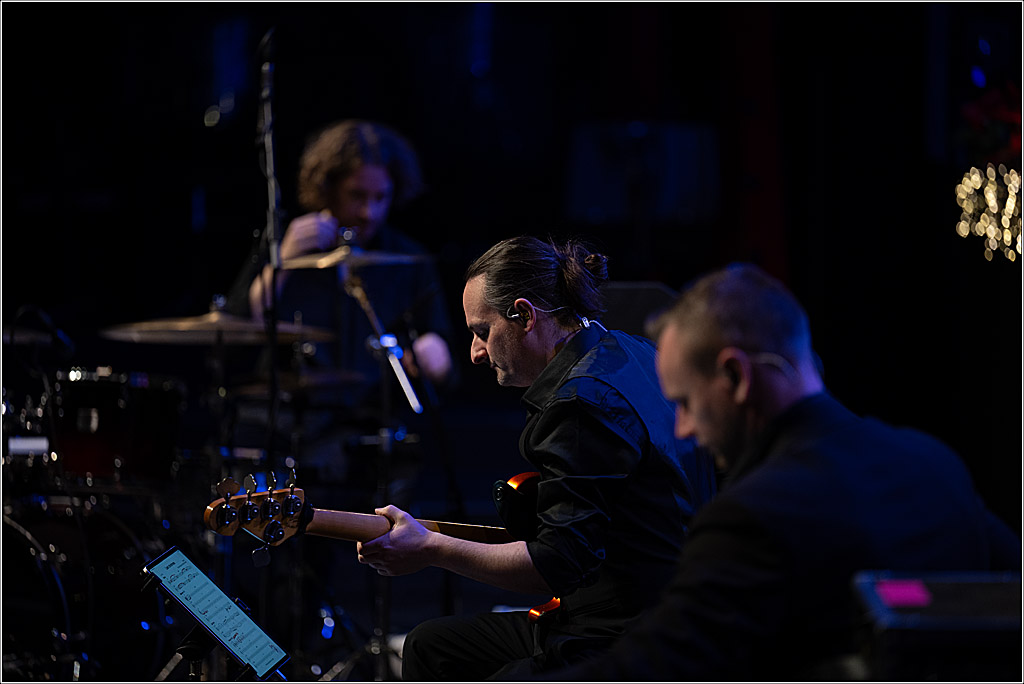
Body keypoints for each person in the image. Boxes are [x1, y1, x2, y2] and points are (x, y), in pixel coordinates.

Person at [545, 262, 1021, 681]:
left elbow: (643, 672)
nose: (684, 429)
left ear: (735, 377)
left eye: (685, 403)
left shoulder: (751, 518)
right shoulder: (933, 461)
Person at [355, 236, 718, 679]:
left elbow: (553, 567)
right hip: (666, 606)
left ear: (525, 316)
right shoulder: (633, 350)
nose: (475, 353)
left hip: (622, 633)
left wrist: (431, 548)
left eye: (482, 331)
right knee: (433, 645)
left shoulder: (581, 404)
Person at [226, 119, 456, 492]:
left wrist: (435, 355)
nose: (369, 212)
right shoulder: (285, 246)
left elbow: (441, 350)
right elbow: (242, 324)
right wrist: (282, 261)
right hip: (285, 422)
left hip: (365, 425)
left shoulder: (408, 259)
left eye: (380, 198)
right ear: (327, 188)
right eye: (357, 196)